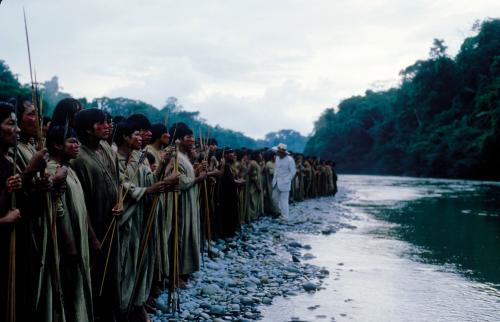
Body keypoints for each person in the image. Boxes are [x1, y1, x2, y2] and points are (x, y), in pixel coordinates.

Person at [71, 108, 122, 322]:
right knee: (95, 275)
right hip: (94, 226)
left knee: (112, 273)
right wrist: (92, 236)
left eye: (107, 122)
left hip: (112, 222)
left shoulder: (107, 149)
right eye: (101, 123)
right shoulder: (79, 158)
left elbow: (118, 180)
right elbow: (80, 203)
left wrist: (120, 202)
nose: (107, 126)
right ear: (87, 129)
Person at [46, 126, 93, 322]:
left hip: (78, 236)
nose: (77, 145)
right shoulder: (51, 170)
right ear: (57, 145)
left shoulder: (69, 169)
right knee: (66, 286)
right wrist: (69, 241)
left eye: (78, 141)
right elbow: (56, 210)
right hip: (66, 241)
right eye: (72, 142)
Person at [271, 143, 296, 219]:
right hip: (276, 181)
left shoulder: (290, 160)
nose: (277, 153)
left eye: (279, 152)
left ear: (283, 152)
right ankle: (278, 212)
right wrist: (274, 179)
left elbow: (293, 172)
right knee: (274, 198)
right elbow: (276, 169)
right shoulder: (277, 158)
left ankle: (285, 216)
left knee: (284, 200)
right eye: (277, 151)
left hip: (285, 182)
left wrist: (287, 179)